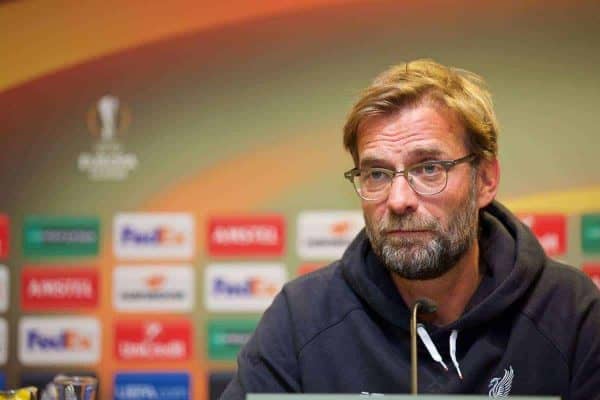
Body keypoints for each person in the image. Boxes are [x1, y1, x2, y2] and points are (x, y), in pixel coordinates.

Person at [220, 59, 600, 398]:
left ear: (484, 179)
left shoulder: (572, 313)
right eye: (377, 173)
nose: (399, 199)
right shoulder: (300, 320)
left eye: (429, 168)